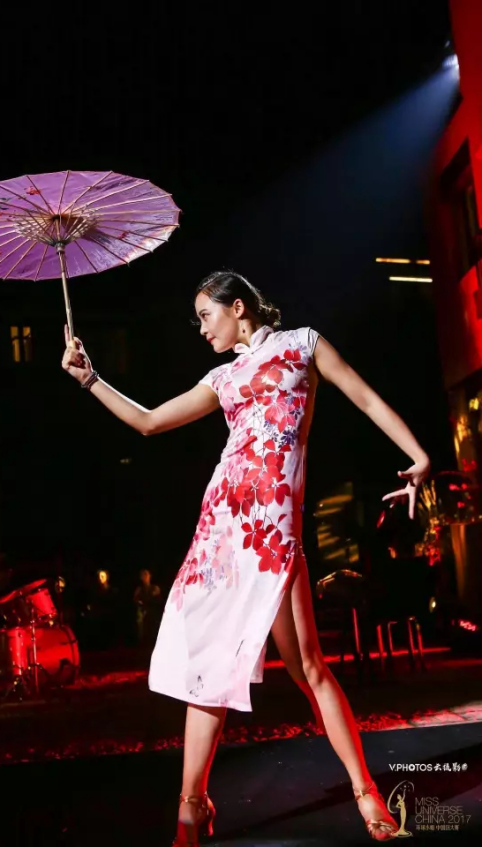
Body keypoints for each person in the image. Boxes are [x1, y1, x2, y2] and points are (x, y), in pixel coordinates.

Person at [62, 270, 430, 845]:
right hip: (221, 528)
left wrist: (418, 455)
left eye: (205, 316)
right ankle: (191, 807)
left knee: (309, 667)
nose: (201, 329)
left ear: (237, 307)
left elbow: (363, 396)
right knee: (212, 666)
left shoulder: (303, 345)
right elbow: (150, 422)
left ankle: (365, 793)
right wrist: (90, 379)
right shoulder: (221, 377)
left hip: (272, 529)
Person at [133, 569, 163, 648]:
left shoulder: (155, 588)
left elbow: (158, 600)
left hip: (153, 614)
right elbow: (136, 600)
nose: (145, 577)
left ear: (150, 576)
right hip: (143, 614)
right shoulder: (139, 589)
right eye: (143, 575)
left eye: (146, 575)